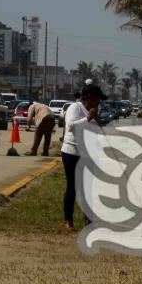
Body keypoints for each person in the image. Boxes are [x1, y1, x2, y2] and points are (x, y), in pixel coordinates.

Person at [61, 83, 104, 230]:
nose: (99, 102)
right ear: (89, 98)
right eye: (98, 99)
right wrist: (88, 118)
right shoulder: (75, 108)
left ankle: (88, 218)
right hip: (71, 152)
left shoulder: (92, 110)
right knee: (72, 186)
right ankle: (68, 220)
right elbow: (71, 127)